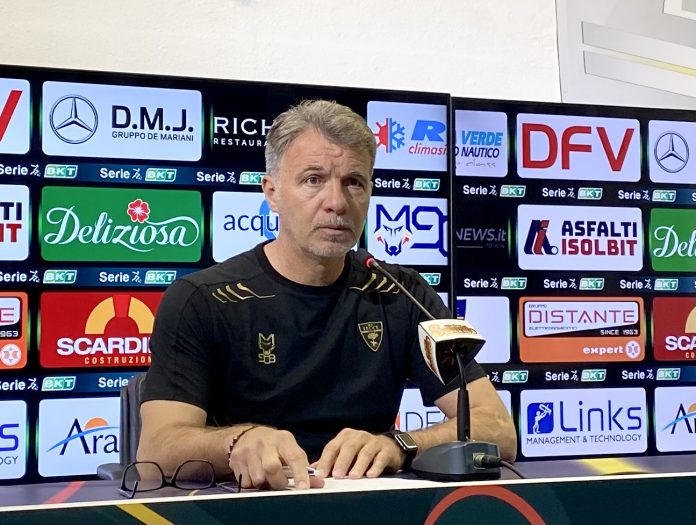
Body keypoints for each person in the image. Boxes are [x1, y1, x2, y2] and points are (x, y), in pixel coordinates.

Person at [138, 100, 517, 491]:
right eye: (313, 180)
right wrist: (237, 442)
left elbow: (498, 430)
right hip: (248, 506)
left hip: (370, 505)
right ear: (272, 193)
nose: (336, 202)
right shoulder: (202, 299)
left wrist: (401, 444)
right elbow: (156, 453)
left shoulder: (401, 292)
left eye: (354, 182)